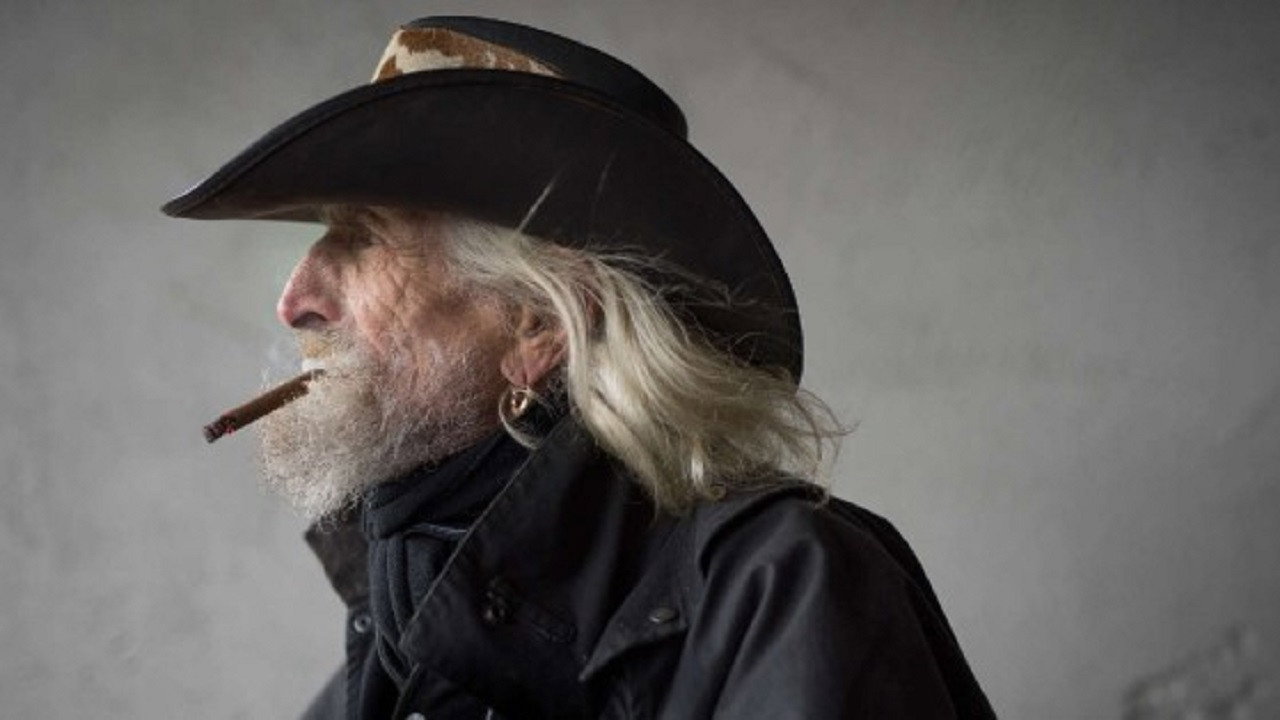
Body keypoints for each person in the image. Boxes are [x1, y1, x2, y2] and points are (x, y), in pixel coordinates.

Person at [164, 16, 996, 719]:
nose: (296, 299)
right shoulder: (390, 650)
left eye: (363, 237)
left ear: (538, 324)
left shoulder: (783, 588)